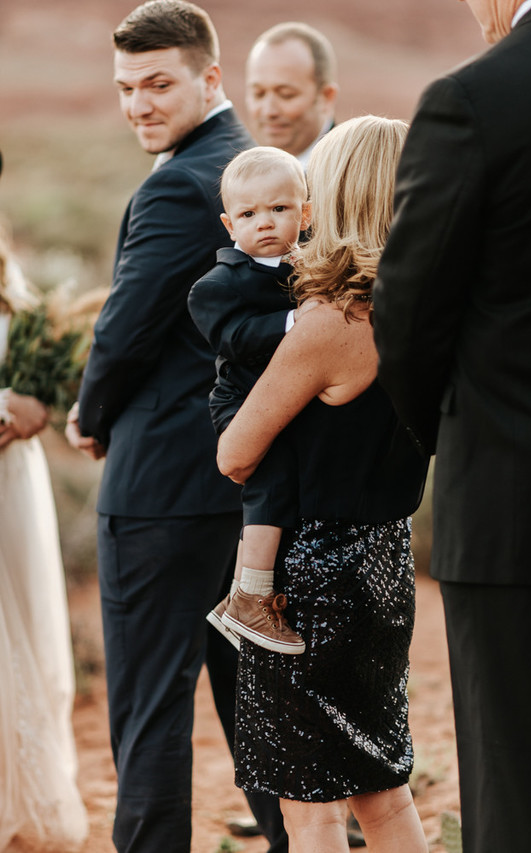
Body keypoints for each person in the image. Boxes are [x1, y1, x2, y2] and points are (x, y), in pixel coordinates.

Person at [64, 3, 287, 852]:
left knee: (151, 708)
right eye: (126, 88)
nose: (139, 106)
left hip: (158, 489)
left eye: (158, 84)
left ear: (211, 77)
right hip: (248, 490)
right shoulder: (256, 166)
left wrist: (89, 413)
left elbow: (124, 328)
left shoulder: (177, 183)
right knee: (261, 708)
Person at [372, 1, 531, 851]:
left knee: (522, 785)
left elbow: (409, 321)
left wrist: (454, 440)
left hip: (517, 508)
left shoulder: (476, 99)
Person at [216, 115, 429, 853]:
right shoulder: (424, 305)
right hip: (386, 561)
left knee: (310, 806)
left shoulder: (328, 321)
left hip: (309, 578)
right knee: (385, 788)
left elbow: (236, 455)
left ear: (332, 193)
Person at [189, 146, 311, 655]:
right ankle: (250, 593)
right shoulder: (217, 286)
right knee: (271, 472)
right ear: (228, 224)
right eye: (248, 213)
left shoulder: (314, 266)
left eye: (280, 209)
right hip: (241, 399)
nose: (265, 222)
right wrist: (294, 324)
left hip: (291, 395)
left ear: (306, 212)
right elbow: (232, 339)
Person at [0, 155, 89, 851]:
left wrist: (31, 406)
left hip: (11, 478)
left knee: (23, 625)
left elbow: (38, 380)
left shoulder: (15, 289)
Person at [245, 22, 338, 169]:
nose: (269, 111)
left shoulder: (353, 176)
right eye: (259, 94)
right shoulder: (239, 173)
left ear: (326, 97)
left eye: (286, 95)